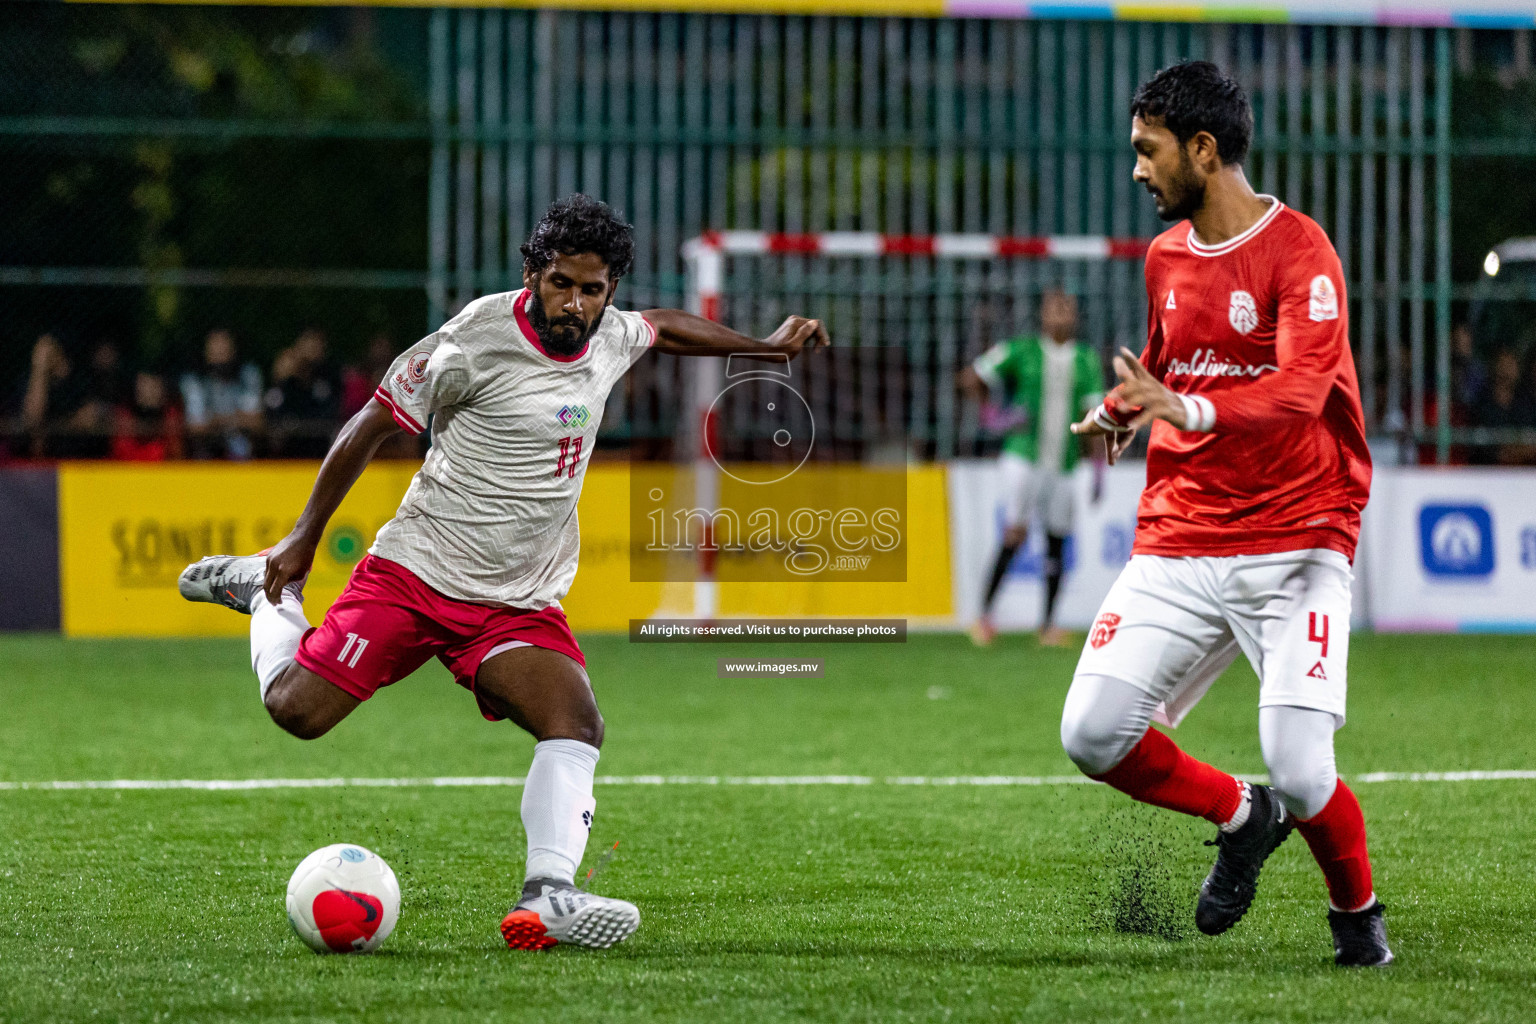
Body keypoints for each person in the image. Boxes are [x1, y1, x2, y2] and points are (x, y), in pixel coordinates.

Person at [176, 195, 829, 952]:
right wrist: (300, 540)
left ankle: (549, 895)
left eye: (593, 290)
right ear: (531, 273)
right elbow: (368, 427)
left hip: (516, 601)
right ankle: (261, 593)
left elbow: (665, 326)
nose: (576, 304)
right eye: (561, 284)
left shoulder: (608, 333)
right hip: (416, 575)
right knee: (296, 712)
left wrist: (764, 347)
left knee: (576, 721)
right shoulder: (470, 343)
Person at [1062, 62, 1389, 967]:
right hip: (1181, 536)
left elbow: (1298, 390)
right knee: (1090, 733)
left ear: (1202, 150)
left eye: (1147, 151)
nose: (1137, 170)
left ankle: (1357, 915)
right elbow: (1169, 366)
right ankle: (1246, 818)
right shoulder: (1165, 258)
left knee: (1302, 764)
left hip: (1297, 540)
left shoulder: (1302, 251)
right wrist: (1124, 411)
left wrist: (1188, 410)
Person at [961, 289, 1102, 648]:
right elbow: (971, 377)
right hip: (1023, 456)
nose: (1060, 314)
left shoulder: (1086, 359)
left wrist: (1098, 465)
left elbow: (1093, 416)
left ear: (1075, 316)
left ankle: (1048, 625)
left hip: (1065, 463)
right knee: (1015, 532)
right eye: (1053, 307)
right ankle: (984, 617)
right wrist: (993, 415)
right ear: (1041, 314)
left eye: (1066, 308)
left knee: (1057, 540)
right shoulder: (1020, 350)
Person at [181, 329, 263, 460]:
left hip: (243, 458)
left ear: (233, 351)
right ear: (206, 353)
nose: (220, 355)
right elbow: (196, 427)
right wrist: (235, 419)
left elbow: (255, 421)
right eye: (215, 350)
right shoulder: (194, 381)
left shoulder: (248, 375)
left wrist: (214, 421)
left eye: (224, 350)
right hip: (206, 458)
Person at [265, 328, 341, 458]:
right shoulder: (282, 388)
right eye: (309, 345)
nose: (313, 351)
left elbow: (331, 419)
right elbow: (273, 423)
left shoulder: (328, 383)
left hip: (320, 454)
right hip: (285, 458)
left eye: (317, 346)